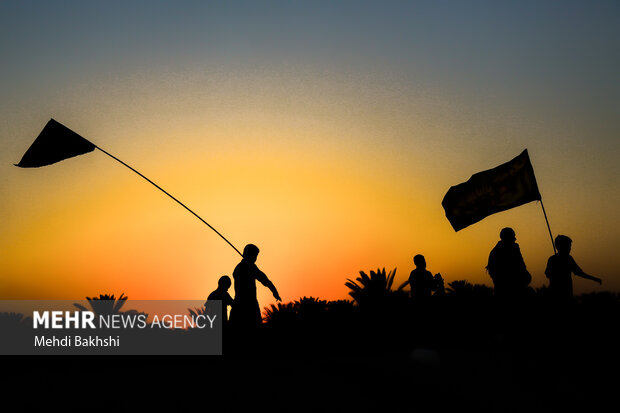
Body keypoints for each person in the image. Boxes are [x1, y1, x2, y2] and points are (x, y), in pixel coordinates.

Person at [229, 244, 281, 329]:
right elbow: (265, 280)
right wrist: (274, 291)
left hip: (242, 304)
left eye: (256, 256)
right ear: (248, 254)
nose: (255, 258)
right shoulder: (247, 268)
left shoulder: (246, 267)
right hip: (247, 305)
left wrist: (274, 291)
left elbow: (264, 279)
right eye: (254, 255)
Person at [545, 235, 601, 299]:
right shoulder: (553, 259)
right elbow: (548, 274)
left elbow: (579, 272)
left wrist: (593, 278)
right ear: (559, 247)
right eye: (567, 246)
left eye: (570, 246)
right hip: (555, 293)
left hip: (567, 293)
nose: (569, 249)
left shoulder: (569, 258)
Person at [486, 227, 531, 298]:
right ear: (507, 238)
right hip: (508, 291)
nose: (515, 239)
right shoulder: (510, 249)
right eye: (513, 237)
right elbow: (520, 267)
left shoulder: (495, 252)